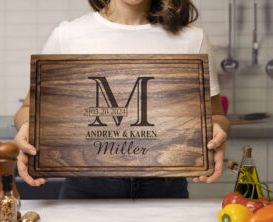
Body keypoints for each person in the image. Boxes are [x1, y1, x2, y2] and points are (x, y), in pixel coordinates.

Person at [14, 0, 230, 199]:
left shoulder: (193, 39)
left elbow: (216, 115)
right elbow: (27, 110)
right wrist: (27, 126)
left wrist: (218, 130)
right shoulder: (67, 35)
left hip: (165, 189)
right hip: (85, 190)